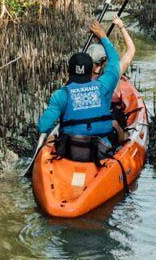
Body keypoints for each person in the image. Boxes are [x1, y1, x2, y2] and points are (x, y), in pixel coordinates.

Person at [36, 21, 120, 157]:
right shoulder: (103, 86)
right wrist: (102, 36)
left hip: (70, 152)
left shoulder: (60, 95)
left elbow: (43, 126)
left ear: (69, 72)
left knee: (52, 138)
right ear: (91, 70)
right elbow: (114, 62)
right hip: (101, 151)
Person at [86, 15, 136, 145]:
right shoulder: (111, 75)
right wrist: (121, 26)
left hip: (87, 126)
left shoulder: (78, 78)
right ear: (103, 62)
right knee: (115, 122)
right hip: (103, 124)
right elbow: (130, 51)